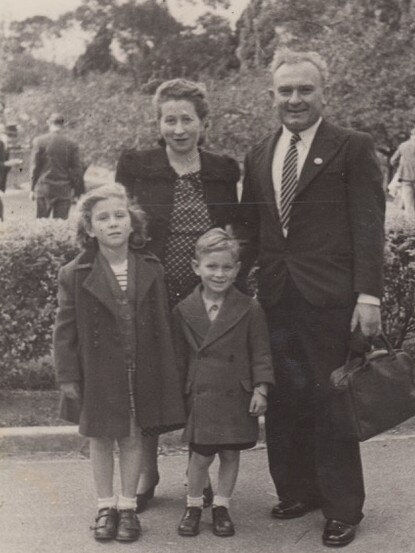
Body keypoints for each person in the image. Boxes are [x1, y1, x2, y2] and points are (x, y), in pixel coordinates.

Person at [239, 49, 385, 547]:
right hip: (277, 296)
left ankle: (343, 506)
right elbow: (251, 227)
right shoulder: (259, 152)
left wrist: (369, 296)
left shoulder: (352, 146)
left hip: (331, 298)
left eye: (305, 89)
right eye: (285, 91)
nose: (295, 99)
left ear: (324, 92)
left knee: (332, 400)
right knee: (285, 399)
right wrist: (232, 286)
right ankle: (299, 490)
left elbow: (369, 226)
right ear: (272, 96)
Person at [115, 78, 240, 511]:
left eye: (188, 119)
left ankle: (197, 471)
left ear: (204, 123)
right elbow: (121, 224)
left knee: (201, 379)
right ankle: (148, 471)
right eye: (170, 119)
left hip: (207, 289)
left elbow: (236, 231)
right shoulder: (137, 164)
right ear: (159, 122)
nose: (179, 128)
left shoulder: (224, 169)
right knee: (149, 378)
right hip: (152, 289)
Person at [53, 183, 185, 542]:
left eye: (119, 215)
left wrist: (166, 368)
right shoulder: (75, 273)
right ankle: (105, 506)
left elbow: (161, 322)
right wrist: (67, 375)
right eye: (102, 218)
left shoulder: (150, 268)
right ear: (90, 228)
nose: (112, 223)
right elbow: (65, 329)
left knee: (133, 436)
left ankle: (128, 507)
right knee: (100, 437)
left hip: (141, 368)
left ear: (132, 223)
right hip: (97, 370)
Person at [172, 228, 275, 537]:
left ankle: (221, 505)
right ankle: (193, 505)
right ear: (196, 267)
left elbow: (261, 352)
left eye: (226, 267)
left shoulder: (250, 308)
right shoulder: (183, 310)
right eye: (211, 266)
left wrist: (261, 388)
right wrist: (179, 396)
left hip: (236, 394)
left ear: (237, 269)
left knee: (230, 453)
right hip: (202, 394)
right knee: (201, 455)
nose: (219, 274)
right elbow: (178, 359)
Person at [30, 113, 84, 219]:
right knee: (60, 226)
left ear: (48, 123)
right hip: (63, 189)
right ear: (63, 124)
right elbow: (77, 169)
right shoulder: (71, 143)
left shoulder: (39, 141)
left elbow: (35, 167)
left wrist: (32, 189)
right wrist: (77, 191)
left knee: (41, 225)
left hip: (44, 188)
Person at [390, 128, 415, 220]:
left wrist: (401, 168)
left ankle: (411, 224)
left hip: (406, 177)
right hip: (407, 177)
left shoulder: (403, 146)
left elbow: (392, 161)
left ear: (411, 135)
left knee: (408, 203)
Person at [0, 126, 22, 221]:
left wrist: (12, 164)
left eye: (13, 136)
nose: (11, 139)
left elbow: (4, 167)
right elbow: (3, 163)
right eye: (9, 136)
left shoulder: (6, 147)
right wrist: (8, 163)